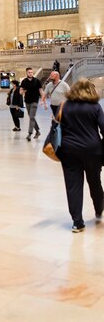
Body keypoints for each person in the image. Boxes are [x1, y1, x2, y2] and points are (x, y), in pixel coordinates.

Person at [59, 78, 104, 233]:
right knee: (95, 181)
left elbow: (57, 127)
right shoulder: (95, 107)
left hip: (69, 150)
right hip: (93, 151)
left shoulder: (65, 106)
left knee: (73, 185)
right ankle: (99, 209)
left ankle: (77, 222)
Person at [20, 67, 44, 141]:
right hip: (27, 101)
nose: (30, 73)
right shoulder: (24, 81)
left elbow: (41, 90)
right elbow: (20, 92)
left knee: (32, 116)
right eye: (29, 72)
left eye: (31, 72)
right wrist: (23, 91)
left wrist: (43, 99)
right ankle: (38, 131)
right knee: (31, 117)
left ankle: (29, 134)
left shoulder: (37, 81)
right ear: (26, 73)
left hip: (34, 101)